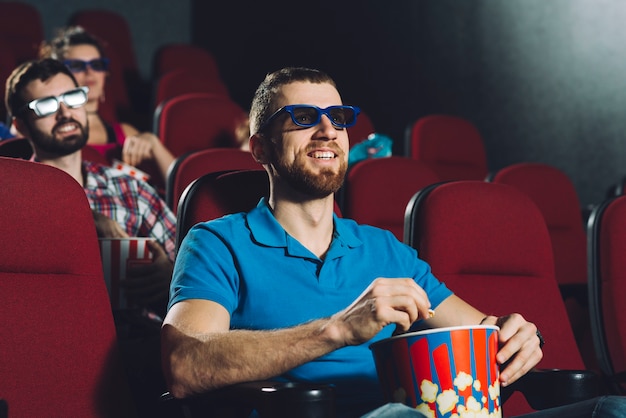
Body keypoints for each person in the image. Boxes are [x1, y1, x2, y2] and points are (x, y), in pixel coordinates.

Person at [161, 67, 626, 418]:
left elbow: (483, 333)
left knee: (610, 410)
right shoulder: (216, 242)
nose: (327, 130)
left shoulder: (385, 250)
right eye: (303, 118)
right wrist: (337, 330)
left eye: (338, 118)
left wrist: (521, 336)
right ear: (260, 148)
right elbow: (184, 366)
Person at [5, 58, 175, 314]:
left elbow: (191, 265)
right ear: (20, 126)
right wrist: (84, 219)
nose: (65, 113)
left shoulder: (130, 188)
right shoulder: (10, 197)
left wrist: (171, 275)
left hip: (137, 338)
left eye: (72, 97)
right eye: (46, 105)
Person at [39, 26, 175, 187]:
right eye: (76, 65)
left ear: (106, 74)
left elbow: (183, 191)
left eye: (97, 64)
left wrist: (154, 144)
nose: (89, 72)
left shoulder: (125, 133)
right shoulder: (45, 130)